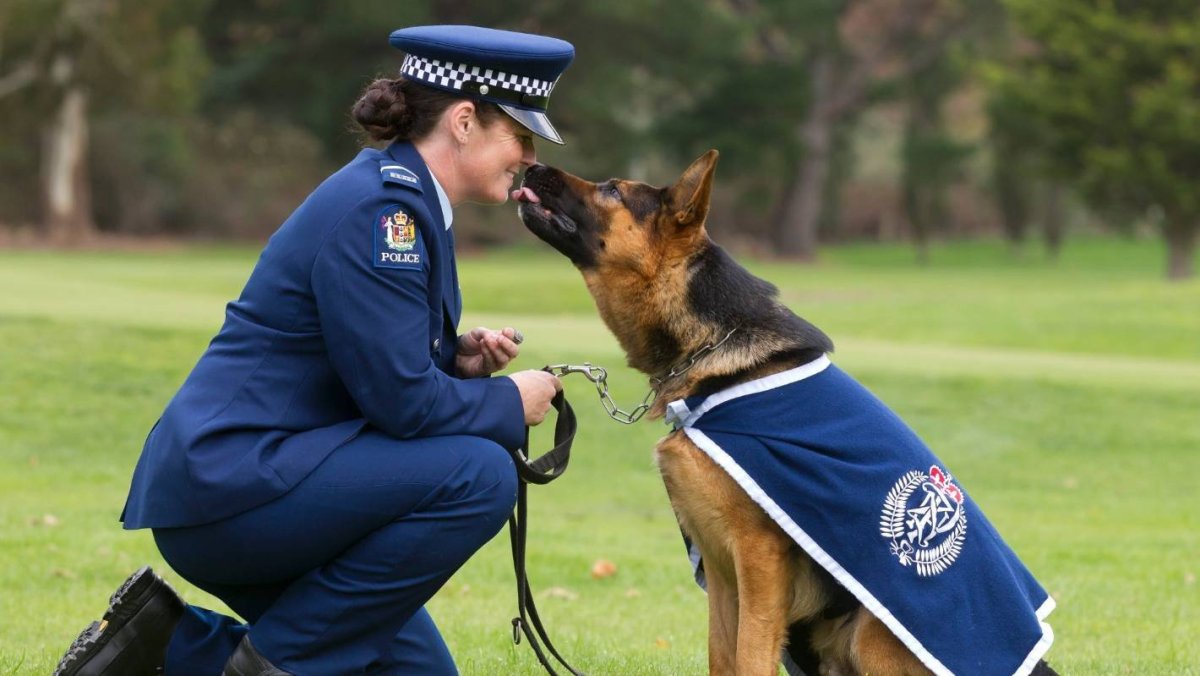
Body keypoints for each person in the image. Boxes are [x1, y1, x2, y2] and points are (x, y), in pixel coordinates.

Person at [53, 24, 575, 676]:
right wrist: (506, 400)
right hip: (236, 491)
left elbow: (375, 366)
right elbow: (403, 405)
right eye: (520, 136)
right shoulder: (384, 215)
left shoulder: (400, 200)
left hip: (270, 481)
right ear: (465, 121)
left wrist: (457, 362)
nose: (528, 156)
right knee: (480, 475)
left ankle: (159, 646)